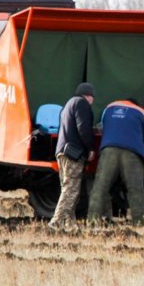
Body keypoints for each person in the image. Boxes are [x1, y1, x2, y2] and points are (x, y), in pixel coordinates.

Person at [87, 99, 144, 226]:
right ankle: (140, 223)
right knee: (135, 189)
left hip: (109, 150)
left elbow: (102, 128)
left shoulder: (109, 108)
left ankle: (92, 221)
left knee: (100, 187)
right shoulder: (141, 112)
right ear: (136, 104)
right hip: (132, 152)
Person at [48, 82, 95, 230]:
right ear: (88, 96)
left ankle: (70, 225)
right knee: (71, 190)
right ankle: (55, 222)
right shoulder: (82, 104)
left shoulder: (68, 104)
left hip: (62, 152)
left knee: (67, 188)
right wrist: (90, 149)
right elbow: (83, 129)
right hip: (73, 154)